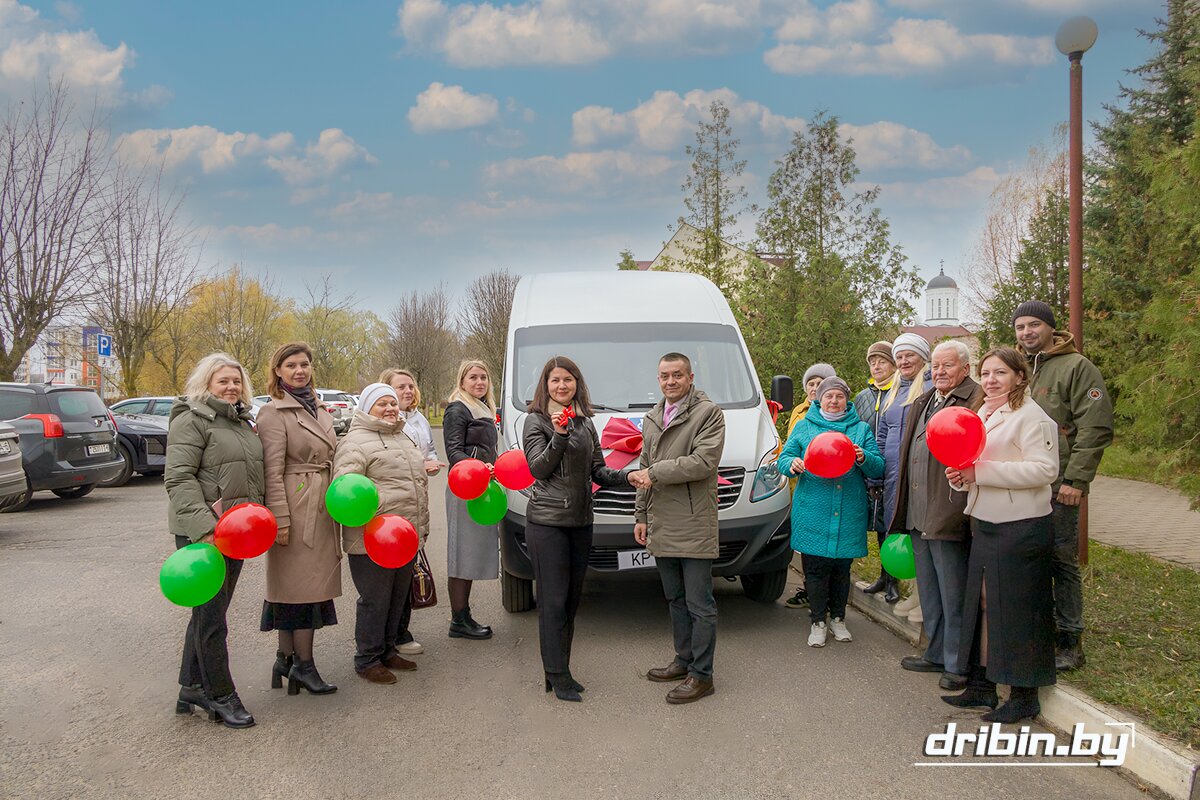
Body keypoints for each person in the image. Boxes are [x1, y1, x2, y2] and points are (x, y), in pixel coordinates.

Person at [943, 347, 1060, 723]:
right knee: (981, 605)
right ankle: (982, 686)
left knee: (1016, 610)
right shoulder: (981, 412)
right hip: (985, 521)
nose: (991, 380)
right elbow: (974, 462)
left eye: (1001, 373)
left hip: (1020, 526)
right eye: (987, 372)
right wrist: (962, 478)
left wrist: (981, 474)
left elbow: (1045, 470)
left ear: (1019, 377)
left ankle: (1025, 696)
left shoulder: (1032, 417)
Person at [523, 356, 633, 701]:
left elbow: (598, 470)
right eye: (555, 380)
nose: (561, 386)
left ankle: (558, 669)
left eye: (568, 380)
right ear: (546, 385)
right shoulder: (535, 421)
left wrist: (629, 477)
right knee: (553, 602)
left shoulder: (586, 423)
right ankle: (557, 674)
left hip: (581, 521)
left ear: (577, 384)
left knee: (571, 602)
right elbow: (538, 469)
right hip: (547, 523)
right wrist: (558, 434)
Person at [165, 353, 264, 729]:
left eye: (236, 381)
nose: (231, 387)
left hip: (235, 532)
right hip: (205, 531)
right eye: (223, 381)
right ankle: (220, 694)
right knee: (212, 619)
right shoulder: (191, 420)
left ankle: (191, 685)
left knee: (210, 613)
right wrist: (205, 529)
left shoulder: (241, 422)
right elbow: (178, 479)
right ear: (206, 383)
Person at [1013, 301, 1114, 671]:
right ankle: (1041, 634)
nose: (1027, 333)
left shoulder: (1076, 367)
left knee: (1060, 558)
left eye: (1034, 325)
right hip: (1022, 482)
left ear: (1051, 328)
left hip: (1060, 484)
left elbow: (1096, 426)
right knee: (1031, 559)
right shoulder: (1019, 369)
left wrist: (1076, 479)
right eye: (1021, 327)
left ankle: (1071, 641)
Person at [631, 353, 726, 705]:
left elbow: (702, 463)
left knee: (700, 604)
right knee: (676, 600)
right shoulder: (653, 416)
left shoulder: (708, 413)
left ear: (690, 377)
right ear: (658, 379)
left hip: (693, 522)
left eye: (677, 375)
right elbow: (643, 466)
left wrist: (654, 474)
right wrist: (640, 515)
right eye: (664, 376)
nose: (670, 381)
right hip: (660, 521)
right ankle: (683, 661)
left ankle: (702, 676)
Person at [888, 341, 983, 690]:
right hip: (917, 511)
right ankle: (936, 652)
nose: (939, 372)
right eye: (936, 367)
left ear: (965, 368)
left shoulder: (976, 400)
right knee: (930, 590)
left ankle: (958, 664)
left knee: (953, 592)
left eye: (947, 366)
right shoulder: (925, 400)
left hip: (947, 511)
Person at [257, 342, 341, 696]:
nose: (299, 371)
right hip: (294, 505)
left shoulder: (319, 409)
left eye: (304, 364)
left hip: (321, 505)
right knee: (297, 589)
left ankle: (285, 659)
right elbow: (271, 472)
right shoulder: (273, 413)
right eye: (291, 365)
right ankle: (303, 667)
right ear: (278, 371)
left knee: (302, 587)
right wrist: (280, 519)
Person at [332, 383, 429, 685]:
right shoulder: (355, 442)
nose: (389, 409)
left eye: (392, 403)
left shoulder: (402, 435)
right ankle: (367, 658)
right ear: (366, 408)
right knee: (375, 599)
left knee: (398, 598)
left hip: (403, 536)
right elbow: (345, 487)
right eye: (381, 404)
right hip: (373, 539)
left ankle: (387, 650)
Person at [780, 376, 884, 648]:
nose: (834, 401)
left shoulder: (860, 429)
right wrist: (793, 462)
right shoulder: (804, 427)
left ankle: (838, 618)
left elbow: (878, 467)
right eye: (829, 396)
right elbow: (783, 458)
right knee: (815, 570)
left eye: (839, 396)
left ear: (846, 400)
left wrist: (863, 457)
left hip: (848, 508)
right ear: (819, 399)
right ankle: (818, 622)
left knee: (841, 569)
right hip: (813, 508)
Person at [380, 367, 445, 656]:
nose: (407, 392)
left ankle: (400, 629)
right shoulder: (384, 423)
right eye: (400, 387)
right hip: (391, 507)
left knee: (409, 569)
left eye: (410, 386)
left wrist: (430, 465)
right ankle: (387, 635)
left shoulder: (419, 420)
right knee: (388, 576)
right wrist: (421, 466)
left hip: (417, 503)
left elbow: (429, 454)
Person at [877, 332, 933, 624]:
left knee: (921, 533)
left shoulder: (931, 386)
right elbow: (884, 433)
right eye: (899, 356)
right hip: (893, 474)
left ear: (923, 356)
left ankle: (927, 597)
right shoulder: (894, 390)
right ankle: (915, 591)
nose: (903, 361)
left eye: (909, 355)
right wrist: (880, 469)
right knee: (903, 532)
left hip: (918, 473)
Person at [443, 359, 500, 640]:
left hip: (482, 486)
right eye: (473, 378)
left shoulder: (485, 409)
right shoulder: (457, 408)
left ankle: (463, 615)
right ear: (462, 381)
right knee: (461, 554)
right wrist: (480, 469)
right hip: (464, 487)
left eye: (484, 378)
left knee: (470, 554)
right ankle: (459, 619)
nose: (479, 382)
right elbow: (454, 453)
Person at [782, 362, 837, 609]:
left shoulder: (833, 413)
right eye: (811, 384)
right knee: (807, 542)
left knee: (827, 543)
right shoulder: (799, 411)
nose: (815, 388)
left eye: (819, 384)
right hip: (800, 484)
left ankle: (828, 596)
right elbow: (790, 445)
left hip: (827, 486)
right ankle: (809, 589)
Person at [853, 341, 899, 602]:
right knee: (879, 525)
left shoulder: (903, 391)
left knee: (894, 526)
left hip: (894, 468)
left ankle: (894, 579)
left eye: (882, 360)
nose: (877, 365)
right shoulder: (863, 397)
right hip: (869, 469)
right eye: (873, 361)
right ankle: (883, 575)